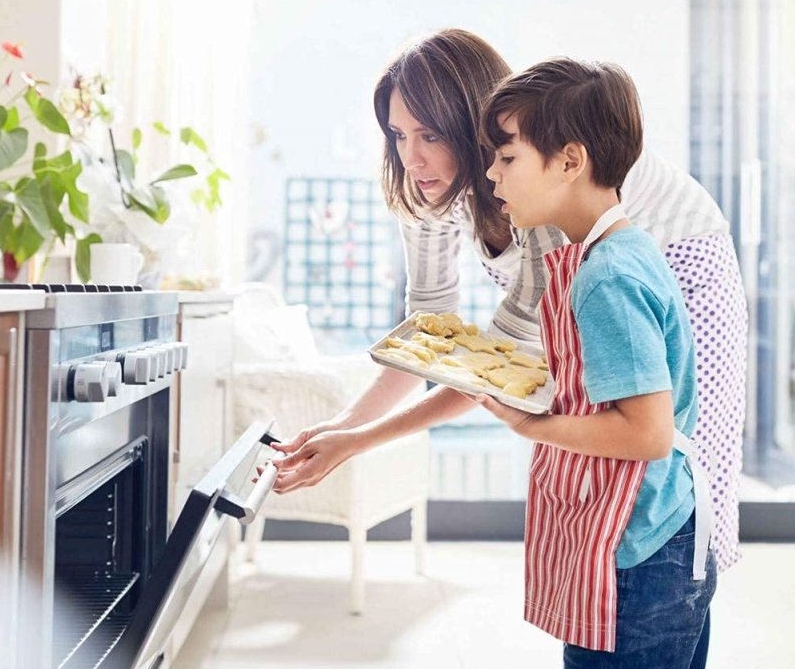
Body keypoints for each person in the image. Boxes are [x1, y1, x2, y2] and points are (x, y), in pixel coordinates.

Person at [272, 29, 746, 576]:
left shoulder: (539, 193)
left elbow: (497, 368)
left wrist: (359, 441)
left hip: (683, 265)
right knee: (616, 480)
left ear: (475, 130)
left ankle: (673, 601)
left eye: (429, 135)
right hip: (598, 285)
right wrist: (340, 429)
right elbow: (429, 334)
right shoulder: (433, 191)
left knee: (680, 470)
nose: (412, 159)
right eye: (398, 135)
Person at [470, 57, 714, 669]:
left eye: (507, 157)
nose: (492, 175)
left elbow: (647, 433)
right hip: (663, 537)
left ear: (570, 161)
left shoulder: (605, 277)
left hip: (638, 553)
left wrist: (532, 426)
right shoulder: (616, 251)